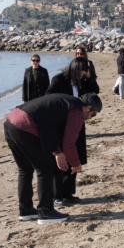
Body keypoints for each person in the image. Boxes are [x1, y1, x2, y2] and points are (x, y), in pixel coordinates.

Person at [3, 92, 102, 224]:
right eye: (93, 114)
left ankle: (26, 210)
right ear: (88, 107)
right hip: (25, 126)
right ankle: (46, 211)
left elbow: (48, 125)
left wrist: (57, 152)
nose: (91, 118)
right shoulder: (76, 111)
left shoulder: (66, 101)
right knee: (45, 169)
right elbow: (69, 144)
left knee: (25, 169)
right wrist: (76, 164)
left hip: (11, 122)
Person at [45, 57, 98, 205]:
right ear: (75, 69)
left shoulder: (81, 82)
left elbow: (94, 92)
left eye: (83, 74)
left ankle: (68, 193)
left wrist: (89, 77)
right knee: (61, 159)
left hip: (77, 122)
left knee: (75, 156)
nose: (82, 76)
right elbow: (49, 99)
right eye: (81, 73)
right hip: (61, 125)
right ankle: (57, 195)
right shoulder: (58, 80)